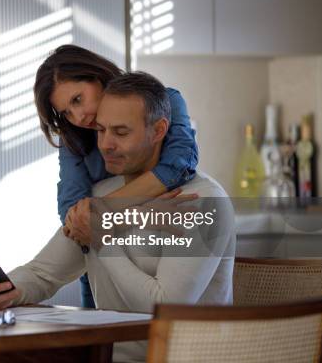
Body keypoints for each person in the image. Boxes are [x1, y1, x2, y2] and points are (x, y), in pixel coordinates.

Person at [0, 72, 235, 362]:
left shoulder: (203, 203)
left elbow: (164, 306)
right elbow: (43, 274)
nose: (105, 145)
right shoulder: (101, 198)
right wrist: (8, 289)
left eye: (121, 133)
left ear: (159, 130)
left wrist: (102, 240)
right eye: (100, 130)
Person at [33, 45, 198, 307]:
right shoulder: (73, 138)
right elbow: (72, 213)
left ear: (98, 76)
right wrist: (138, 216)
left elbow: (177, 166)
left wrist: (104, 212)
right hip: (99, 261)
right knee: (103, 339)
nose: (78, 117)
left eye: (77, 99)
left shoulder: (164, 101)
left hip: (158, 241)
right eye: (66, 112)